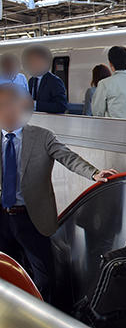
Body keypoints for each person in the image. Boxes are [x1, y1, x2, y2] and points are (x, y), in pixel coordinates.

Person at [0, 83, 117, 303]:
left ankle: (43, 317)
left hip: (31, 217)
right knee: (7, 273)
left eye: (9, 105)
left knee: (44, 276)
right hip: (2, 217)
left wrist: (94, 173)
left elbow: (68, 157)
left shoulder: (41, 137)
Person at [22, 44, 67, 114]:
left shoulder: (54, 81)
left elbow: (61, 106)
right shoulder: (31, 81)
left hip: (49, 122)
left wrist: (35, 104)